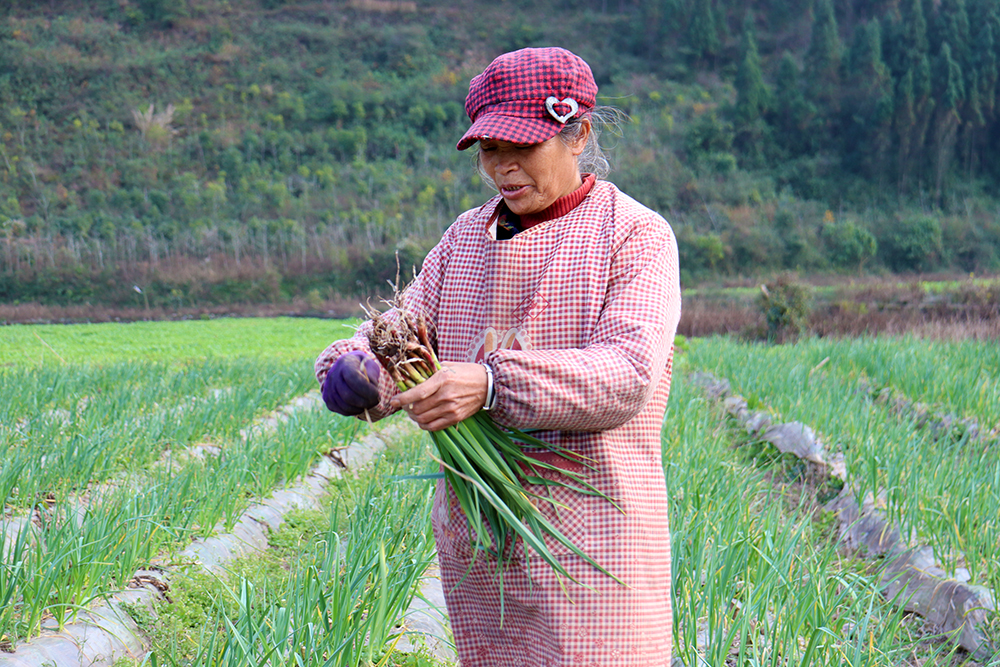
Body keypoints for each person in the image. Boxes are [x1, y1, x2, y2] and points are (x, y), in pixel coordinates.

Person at [316, 46, 681, 666]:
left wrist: (489, 385)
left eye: (523, 147)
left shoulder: (633, 235)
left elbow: (629, 374)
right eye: (490, 149)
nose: (503, 167)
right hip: (484, 536)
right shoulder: (464, 238)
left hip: (593, 539)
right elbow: (399, 331)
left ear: (579, 134)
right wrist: (356, 372)